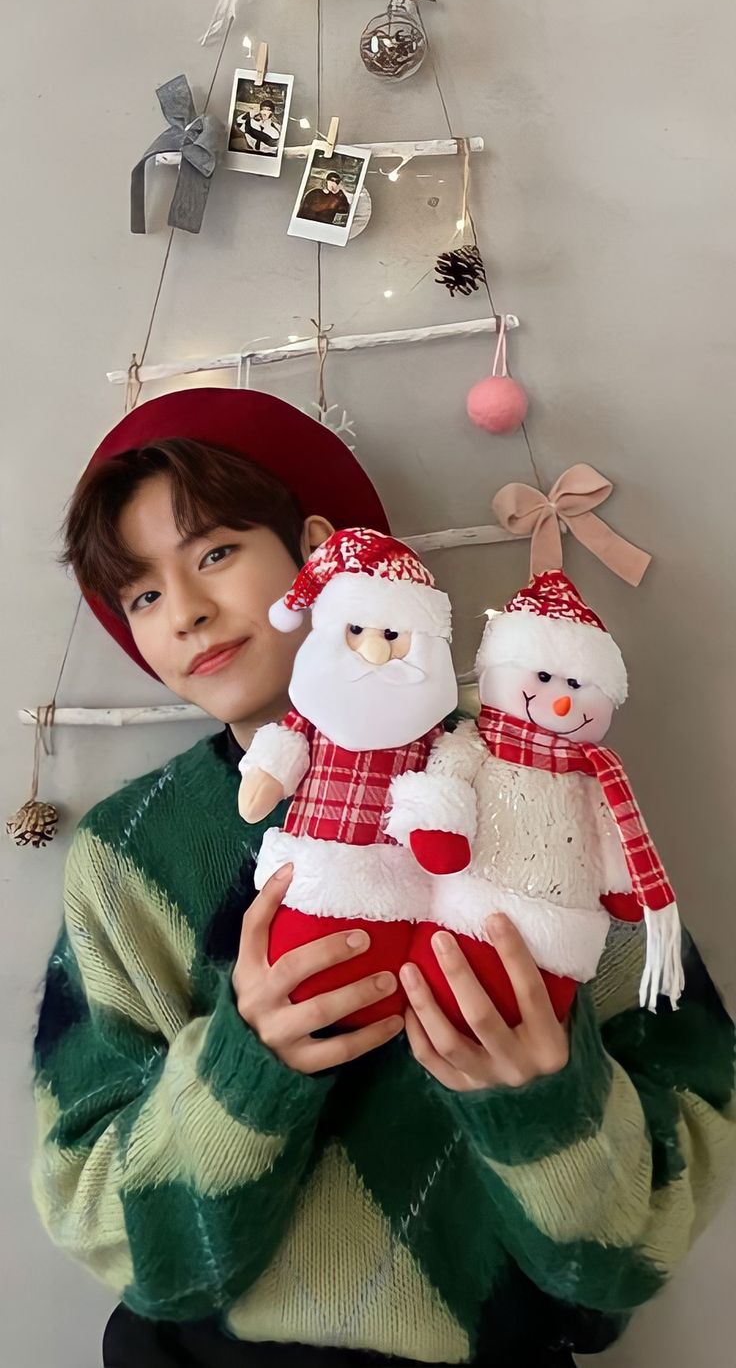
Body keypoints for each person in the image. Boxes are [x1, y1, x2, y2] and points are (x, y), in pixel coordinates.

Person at [31, 388, 735, 1368]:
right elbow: (111, 1225)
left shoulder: (536, 794)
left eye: (216, 552)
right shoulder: (125, 859)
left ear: (318, 550)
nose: (186, 609)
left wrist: (543, 1097)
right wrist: (245, 1069)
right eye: (143, 593)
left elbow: (632, 1246)